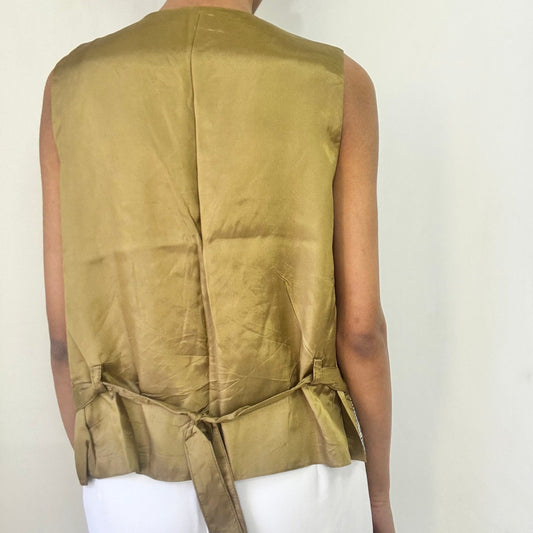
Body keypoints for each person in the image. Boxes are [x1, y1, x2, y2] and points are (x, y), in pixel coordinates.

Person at [39, 1, 395, 532]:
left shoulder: (68, 86)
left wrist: (110, 469)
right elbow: (361, 332)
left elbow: (63, 340)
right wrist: (378, 497)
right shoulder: (336, 80)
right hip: (300, 470)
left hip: (133, 477)